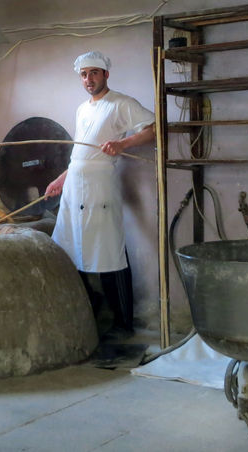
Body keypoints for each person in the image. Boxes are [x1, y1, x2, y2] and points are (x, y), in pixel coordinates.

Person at [45, 51, 155, 337]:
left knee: (109, 252)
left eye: (94, 73)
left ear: (106, 74)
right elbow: (81, 152)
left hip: (100, 187)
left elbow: (154, 128)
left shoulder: (120, 103)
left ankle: (123, 323)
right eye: (84, 74)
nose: (88, 79)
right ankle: (89, 308)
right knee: (72, 248)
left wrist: (123, 144)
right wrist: (62, 177)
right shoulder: (83, 109)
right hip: (74, 186)